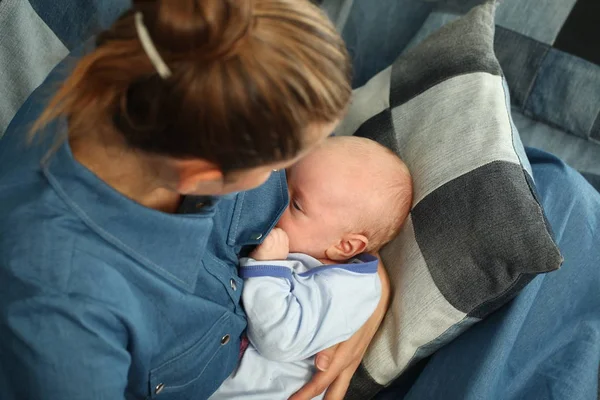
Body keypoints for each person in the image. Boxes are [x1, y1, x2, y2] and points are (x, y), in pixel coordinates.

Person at [0, 1, 391, 399]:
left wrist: (367, 286)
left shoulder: (166, 52)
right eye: (283, 168)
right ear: (202, 178)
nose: (289, 176)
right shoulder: (67, 313)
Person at [210, 136, 413, 400]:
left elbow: (280, 341)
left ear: (345, 246)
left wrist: (268, 268)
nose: (279, 197)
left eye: (296, 204)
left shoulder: (349, 290)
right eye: (287, 177)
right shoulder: (304, 250)